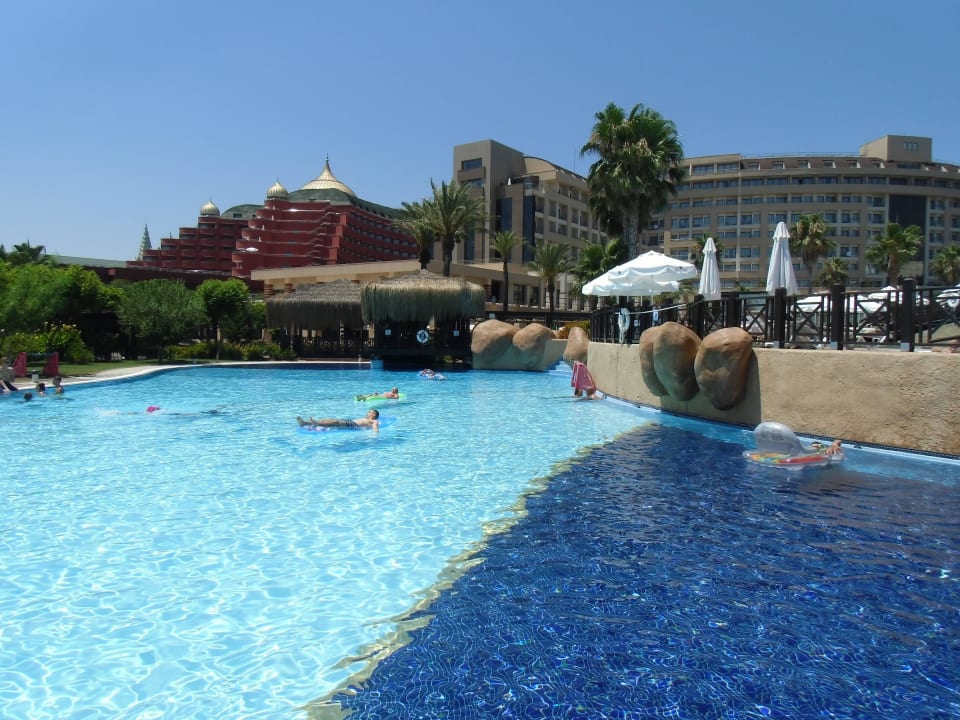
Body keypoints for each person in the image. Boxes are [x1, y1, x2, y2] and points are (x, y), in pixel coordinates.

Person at [297, 408, 380, 431]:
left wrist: (375, 433)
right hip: (349, 421)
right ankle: (305, 423)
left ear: (374, 415)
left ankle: (317, 424)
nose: (368, 413)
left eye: (370, 412)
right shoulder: (365, 418)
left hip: (352, 424)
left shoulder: (374, 420)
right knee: (329, 420)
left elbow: (375, 426)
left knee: (335, 422)